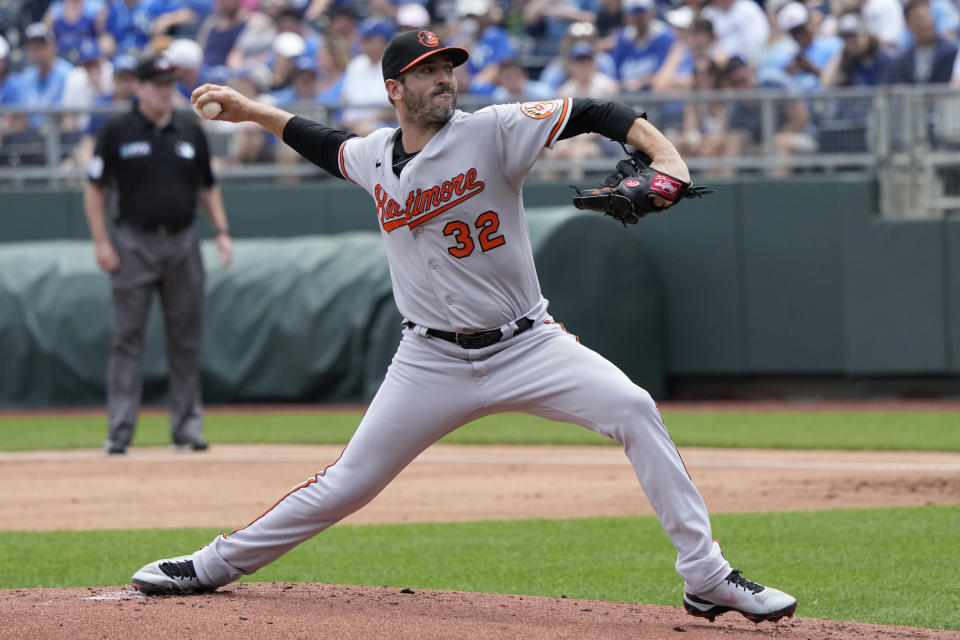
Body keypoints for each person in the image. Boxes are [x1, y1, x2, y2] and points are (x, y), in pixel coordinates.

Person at [129, 29, 799, 626]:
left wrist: (670, 162)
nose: (443, 77)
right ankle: (212, 565)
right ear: (394, 88)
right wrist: (251, 111)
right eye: (426, 70)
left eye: (447, 66)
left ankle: (707, 579)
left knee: (632, 406)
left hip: (528, 344)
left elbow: (598, 113)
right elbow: (320, 141)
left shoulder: (492, 130)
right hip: (429, 361)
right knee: (348, 483)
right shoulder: (373, 157)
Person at [83, 55, 234, 457]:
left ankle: (186, 429)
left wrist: (220, 231)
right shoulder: (116, 130)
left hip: (183, 239)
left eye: (170, 82)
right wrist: (101, 241)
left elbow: (207, 185)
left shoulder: (189, 127)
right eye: (158, 83)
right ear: (140, 86)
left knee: (185, 338)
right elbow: (95, 188)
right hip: (133, 240)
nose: (166, 89)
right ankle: (119, 431)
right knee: (127, 338)